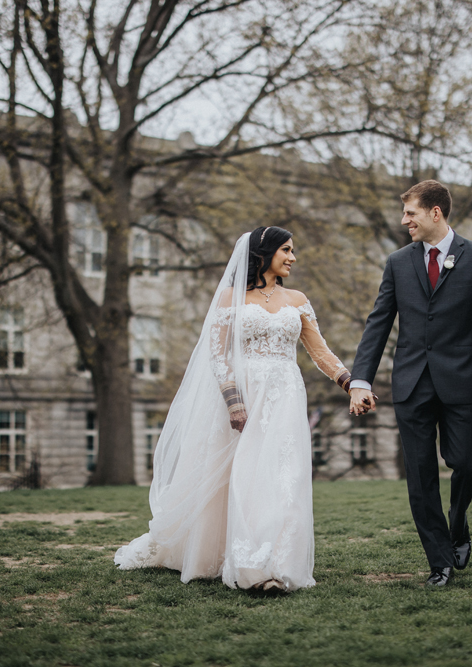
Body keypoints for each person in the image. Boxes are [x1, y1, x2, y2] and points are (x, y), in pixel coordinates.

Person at [115, 227, 353, 592]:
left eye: (293, 251)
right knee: (241, 476)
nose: (293, 257)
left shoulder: (297, 299)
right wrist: (233, 401)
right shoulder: (230, 298)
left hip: (285, 395)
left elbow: (319, 351)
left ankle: (275, 565)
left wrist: (350, 383)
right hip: (243, 395)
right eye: (286, 250)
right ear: (265, 252)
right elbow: (218, 353)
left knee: (281, 477)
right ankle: (244, 563)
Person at [349, 180, 472, 587]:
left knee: (467, 464)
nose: (405, 222)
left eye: (411, 214)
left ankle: (458, 522)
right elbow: (378, 323)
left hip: (465, 382)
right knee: (420, 477)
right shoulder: (398, 263)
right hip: (411, 384)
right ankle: (438, 562)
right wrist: (360, 379)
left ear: (435, 213)